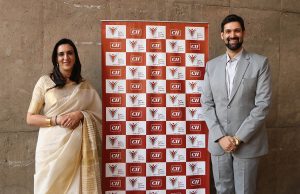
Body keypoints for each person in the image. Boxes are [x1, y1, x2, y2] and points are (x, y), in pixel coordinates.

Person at [201, 14, 272, 194]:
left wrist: (238, 138)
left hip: (247, 143)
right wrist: (220, 137)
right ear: (222, 35)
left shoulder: (260, 63)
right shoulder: (211, 66)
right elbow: (207, 104)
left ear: (243, 33)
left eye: (236, 30)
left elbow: (262, 105)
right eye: (228, 31)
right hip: (219, 143)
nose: (233, 35)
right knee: (223, 190)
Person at [27, 38, 102, 194]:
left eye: (69, 53)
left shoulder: (84, 86)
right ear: (56, 59)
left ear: (75, 56)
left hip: (76, 151)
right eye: (61, 54)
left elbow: (99, 115)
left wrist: (81, 114)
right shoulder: (45, 82)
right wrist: (56, 119)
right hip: (49, 149)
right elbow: (30, 117)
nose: (65, 58)